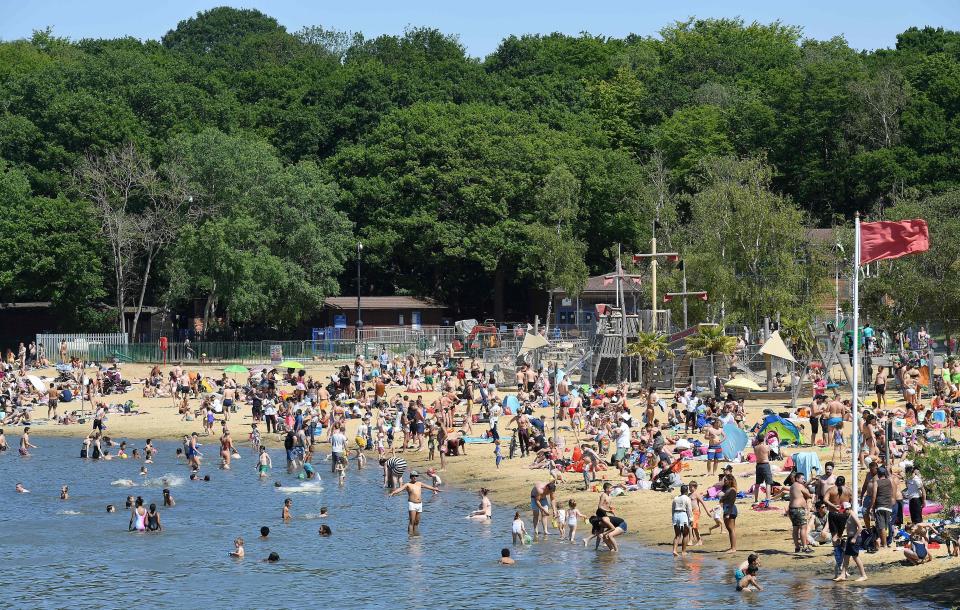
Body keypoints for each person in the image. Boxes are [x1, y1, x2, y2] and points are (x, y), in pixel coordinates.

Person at [390, 470, 441, 534]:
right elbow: (400, 489)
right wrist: (393, 492)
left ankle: (416, 535)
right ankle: (411, 536)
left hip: (419, 504)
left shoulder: (419, 483)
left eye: (416, 476)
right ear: (410, 477)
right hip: (412, 504)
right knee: (412, 522)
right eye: (413, 476)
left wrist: (435, 489)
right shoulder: (408, 484)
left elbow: (428, 487)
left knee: (417, 522)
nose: (414, 477)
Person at [835, 502, 868, 582]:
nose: (843, 512)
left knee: (855, 557)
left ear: (848, 509)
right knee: (846, 557)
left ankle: (863, 575)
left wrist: (854, 538)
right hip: (850, 538)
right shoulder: (848, 515)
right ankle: (843, 575)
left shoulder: (853, 515)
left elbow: (860, 528)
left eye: (844, 510)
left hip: (855, 539)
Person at [788, 472, 814, 553]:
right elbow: (808, 495)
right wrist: (811, 495)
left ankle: (797, 547)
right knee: (803, 528)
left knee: (795, 528)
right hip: (799, 509)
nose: (803, 480)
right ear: (797, 478)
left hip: (792, 509)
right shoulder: (799, 485)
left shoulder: (793, 486)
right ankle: (805, 547)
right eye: (802, 479)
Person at [671, 484, 693, 557]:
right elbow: (689, 510)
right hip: (683, 515)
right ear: (687, 491)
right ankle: (683, 551)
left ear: (680, 491)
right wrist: (691, 519)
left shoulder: (675, 498)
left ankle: (674, 550)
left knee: (677, 535)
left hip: (675, 515)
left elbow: (673, 509)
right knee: (685, 534)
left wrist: (673, 518)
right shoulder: (687, 498)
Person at [752, 434, 773, 506]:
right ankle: (767, 499)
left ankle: (756, 500)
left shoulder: (755, 448)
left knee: (757, 484)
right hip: (765, 464)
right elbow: (769, 455)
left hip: (758, 465)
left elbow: (756, 454)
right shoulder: (767, 447)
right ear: (763, 439)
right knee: (768, 483)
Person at [720, 474, 738, 553]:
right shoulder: (728, 489)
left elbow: (731, 502)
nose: (724, 481)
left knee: (731, 529)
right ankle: (732, 547)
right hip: (727, 509)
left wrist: (727, 513)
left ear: (730, 481)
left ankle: (733, 548)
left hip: (730, 510)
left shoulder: (732, 490)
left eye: (725, 480)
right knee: (730, 529)